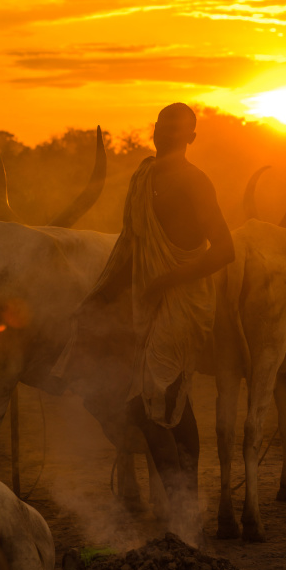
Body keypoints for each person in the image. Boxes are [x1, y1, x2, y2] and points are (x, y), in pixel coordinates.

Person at [53, 103, 234, 542]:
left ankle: (182, 513)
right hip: (147, 301)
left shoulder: (195, 181)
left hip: (184, 301)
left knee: (153, 400)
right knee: (163, 400)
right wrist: (100, 300)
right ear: (152, 131)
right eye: (160, 125)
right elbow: (131, 246)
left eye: (176, 129)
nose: (164, 133)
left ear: (191, 137)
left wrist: (166, 280)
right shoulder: (143, 178)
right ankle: (183, 510)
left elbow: (224, 250)